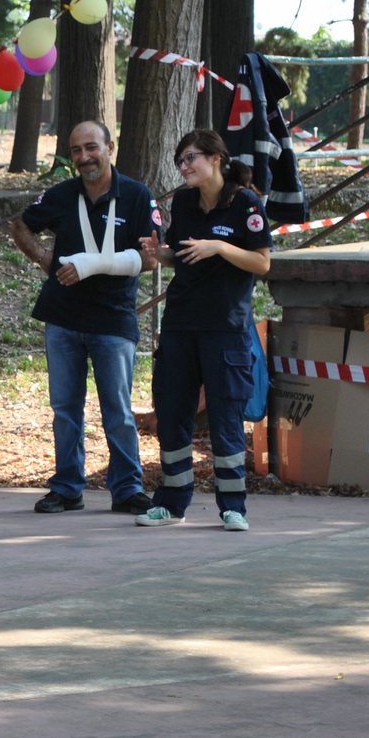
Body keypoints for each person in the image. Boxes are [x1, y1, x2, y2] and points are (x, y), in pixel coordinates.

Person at [9, 120, 160, 515]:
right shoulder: (61, 195)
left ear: (110, 146)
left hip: (113, 319)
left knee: (118, 409)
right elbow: (20, 225)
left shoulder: (137, 196)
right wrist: (45, 259)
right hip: (63, 316)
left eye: (91, 147)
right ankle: (67, 487)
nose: (84, 157)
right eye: (76, 150)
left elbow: (148, 258)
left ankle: (127, 488)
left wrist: (95, 264)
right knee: (65, 408)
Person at [138, 129, 272, 531]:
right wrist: (157, 254)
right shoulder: (184, 200)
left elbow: (262, 263)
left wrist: (219, 247)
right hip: (181, 323)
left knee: (225, 415)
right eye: (180, 161)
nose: (185, 167)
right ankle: (172, 503)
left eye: (191, 158)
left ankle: (233, 506)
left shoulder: (245, 202)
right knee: (173, 410)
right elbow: (181, 254)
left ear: (216, 159)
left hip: (224, 327)